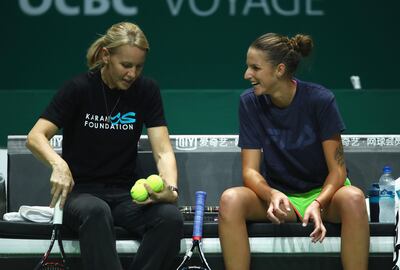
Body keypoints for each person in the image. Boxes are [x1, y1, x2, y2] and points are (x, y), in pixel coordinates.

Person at [26, 22, 183, 270]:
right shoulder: (78, 88)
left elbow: (163, 151)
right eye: (126, 65)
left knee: (170, 218)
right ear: (105, 56)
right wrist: (59, 164)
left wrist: (170, 190)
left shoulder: (147, 91)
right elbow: (35, 137)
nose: (132, 74)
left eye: (139, 67)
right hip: (81, 196)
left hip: (126, 194)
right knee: (97, 211)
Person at [218, 33, 369, 270]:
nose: (247, 75)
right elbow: (250, 171)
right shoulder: (249, 102)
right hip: (282, 198)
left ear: (279, 69)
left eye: (255, 68)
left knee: (354, 198)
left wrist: (318, 203)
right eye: (248, 67)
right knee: (231, 200)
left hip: (325, 196)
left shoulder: (320, 100)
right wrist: (271, 194)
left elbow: (338, 171)